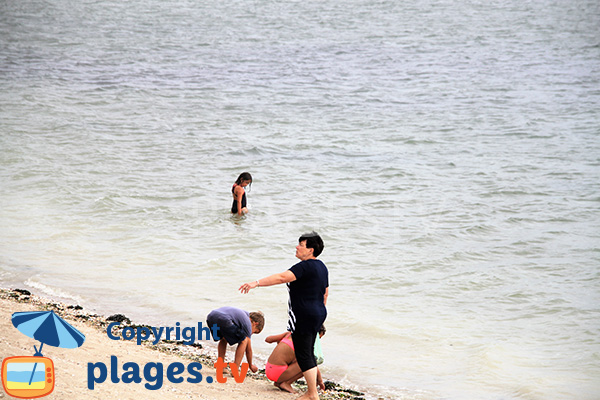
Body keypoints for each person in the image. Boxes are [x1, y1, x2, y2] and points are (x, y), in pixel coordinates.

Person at [240, 232, 329, 400]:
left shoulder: (303, 266)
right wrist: (319, 313)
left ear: (310, 250)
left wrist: (256, 283)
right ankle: (312, 392)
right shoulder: (322, 267)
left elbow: (281, 277)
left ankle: (311, 393)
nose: (297, 247)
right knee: (307, 352)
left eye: (301, 245)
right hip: (318, 313)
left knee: (304, 354)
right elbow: (325, 293)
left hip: (304, 315)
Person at [264, 325, 326, 393]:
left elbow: (268, 339)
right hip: (277, 373)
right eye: (318, 339)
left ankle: (279, 382)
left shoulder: (289, 334)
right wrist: (320, 381)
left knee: (299, 359)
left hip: (268, 369)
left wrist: (281, 343)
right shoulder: (304, 344)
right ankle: (286, 383)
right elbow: (312, 365)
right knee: (307, 363)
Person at [206, 306, 264, 373]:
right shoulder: (247, 323)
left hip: (211, 316)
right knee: (244, 341)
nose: (251, 334)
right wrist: (250, 365)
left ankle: (220, 367)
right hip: (224, 319)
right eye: (254, 331)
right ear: (255, 324)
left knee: (223, 339)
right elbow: (248, 350)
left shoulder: (242, 315)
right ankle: (235, 370)